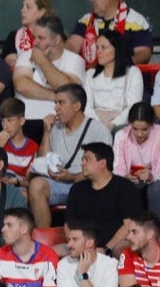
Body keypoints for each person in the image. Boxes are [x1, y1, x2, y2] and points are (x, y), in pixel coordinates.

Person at [28, 84, 113, 227]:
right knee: (36, 185)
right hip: (61, 183)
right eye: (55, 103)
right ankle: (44, 241)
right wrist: (47, 132)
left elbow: (103, 171)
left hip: (87, 184)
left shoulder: (98, 130)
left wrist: (72, 177)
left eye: (61, 102)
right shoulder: (56, 127)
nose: (56, 108)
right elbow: (44, 159)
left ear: (76, 106)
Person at [65, 143, 143, 253]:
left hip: (113, 246)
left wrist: (106, 248)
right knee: (52, 252)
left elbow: (129, 225)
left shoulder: (125, 187)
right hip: (81, 247)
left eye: (87, 160)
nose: (82, 164)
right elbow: (68, 224)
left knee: (121, 250)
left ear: (102, 163)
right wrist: (76, 245)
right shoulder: (77, 189)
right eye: (82, 160)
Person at [73, 0, 154, 66]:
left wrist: (115, 68)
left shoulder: (136, 21)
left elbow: (143, 54)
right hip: (91, 79)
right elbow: (72, 45)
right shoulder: (85, 20)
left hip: (125, 79)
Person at [14, 15, 85, 123]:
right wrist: (57, 97)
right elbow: (22, 86)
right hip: (25, 122)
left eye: (41, 38)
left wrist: (41, 61)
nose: (35, 43)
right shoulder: (25, 56)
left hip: (58, 123)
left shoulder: (74, 60)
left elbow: (68, 89)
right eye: (35, 37)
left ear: (56, 39)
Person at [112, 103, 160, 217]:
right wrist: (125, 176)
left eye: (144, 129)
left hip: (157, 179)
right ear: (130, 124)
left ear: (152, 124)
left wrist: (151, 176)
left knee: (155, 189)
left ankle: (156, 232)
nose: (139, 134)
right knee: (126, 187)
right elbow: (117, 168)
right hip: (133, 178)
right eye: (135, 129)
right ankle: (130, 230)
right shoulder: (121, 135)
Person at [83, 31, 144, 131]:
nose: (98, 52)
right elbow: (87, 107)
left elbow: (132, 106)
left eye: (103, 48)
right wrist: (99, 124)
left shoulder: (133, 73)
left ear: (117, 49)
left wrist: (113, 124)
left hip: (122, 123)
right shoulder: (90, 74)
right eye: (97, 48)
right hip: (95, 122)